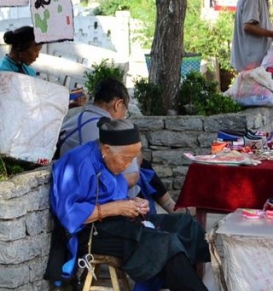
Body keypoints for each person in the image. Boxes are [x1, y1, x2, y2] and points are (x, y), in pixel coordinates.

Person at [51, 119, 257, 291]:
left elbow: (118, 194)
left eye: (133, 158)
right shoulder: (77, 163)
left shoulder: (110, 159)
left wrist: (133, 204)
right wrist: (116, 207)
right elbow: (68, 215)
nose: (128, 165)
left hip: (117, 221)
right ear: (106, 149)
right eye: (126, 158)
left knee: (184, 225)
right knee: (163, 243)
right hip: (91, 232)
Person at [55, 78, 183, 214]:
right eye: (125, 111)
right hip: (102, 198)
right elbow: (131, 177)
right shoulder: (108, 130)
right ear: (118, 104)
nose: (124, 116)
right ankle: (168, 210)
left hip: (85, 187)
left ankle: (171, 207)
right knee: (142, 172)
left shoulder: (71, 121)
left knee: (142, 167)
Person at [0, 25, 85, 106]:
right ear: (20, 48)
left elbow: (36, 104)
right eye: (35, 51)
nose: (37, 55)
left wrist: (69, 101)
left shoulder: (28, 70)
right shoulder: (2, 72)